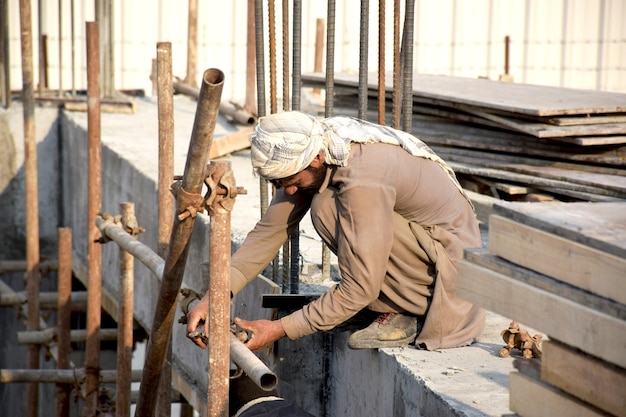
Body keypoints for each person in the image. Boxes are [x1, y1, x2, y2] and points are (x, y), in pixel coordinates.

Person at [186, 111, 485, 352]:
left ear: (315, 159)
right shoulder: (319, 146)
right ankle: (390, 300)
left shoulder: (362, 178)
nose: (289, 190)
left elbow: (359, 288)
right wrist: (215, 296)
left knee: (325, 207)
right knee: (323, 199)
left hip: (449, 276)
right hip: (425, 250)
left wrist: (279, 330)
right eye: (280, 183)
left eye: (292, 180)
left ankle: (404, 309)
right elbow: (269, 233)